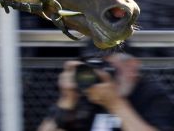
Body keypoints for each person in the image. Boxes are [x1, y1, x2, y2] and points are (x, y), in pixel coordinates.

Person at [38, 43, 174, 131]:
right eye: (94, 67)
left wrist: (115, 104)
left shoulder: (150, 94)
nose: (101, 74)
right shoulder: (84, 95)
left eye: (107, 66)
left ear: (132, 66)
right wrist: (67, 100)